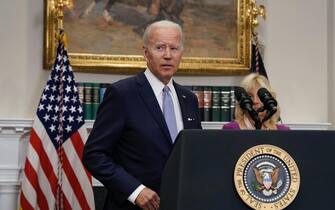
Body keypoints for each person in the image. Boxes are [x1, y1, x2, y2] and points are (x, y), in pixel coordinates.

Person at [82, 20, 202, 210]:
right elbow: (94, 155)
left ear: (181, 53)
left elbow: (194, 155)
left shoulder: (189, 99)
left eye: (174, 48)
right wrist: (135, 191)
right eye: (160, 47)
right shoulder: (122, 94)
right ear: (146, 53)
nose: (168, 55)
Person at [223, 73, 289, 130]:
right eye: (250, 96)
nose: (255, 101)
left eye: (260, 96)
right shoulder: (231, 129)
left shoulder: (284, 131)